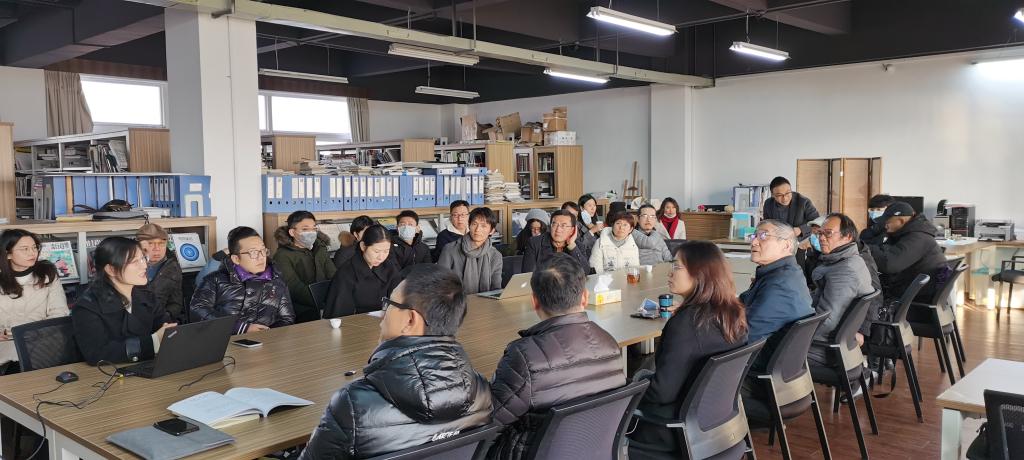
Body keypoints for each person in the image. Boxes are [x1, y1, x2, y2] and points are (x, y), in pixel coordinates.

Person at [299, 265, 492, 460]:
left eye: (389, 304)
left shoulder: (353, 404)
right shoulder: (481, 391)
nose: (383, 314)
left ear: (410, 320)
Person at [489, 254, 625, 459]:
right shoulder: (610, 343)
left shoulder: (524, 357)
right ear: (585, 297)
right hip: (595, 451)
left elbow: (491, 421)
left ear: (534, 301)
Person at [628, 241, 749, 460]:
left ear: (700, 274)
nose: (670, 273)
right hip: (714, 425)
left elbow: (661, 392)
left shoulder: (687, 324)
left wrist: (632, 386)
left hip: (671, 430)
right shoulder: (733, 314)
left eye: (676, 267)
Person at [72, 237, 175, 365]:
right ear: (111, 270)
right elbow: (97, 354)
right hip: (108, 374)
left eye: (143, 258)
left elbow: (167, 330)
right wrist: (153, 342)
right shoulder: (87, 307)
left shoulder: (147, 297)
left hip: (150, 367)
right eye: (135, 261)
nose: (144, 266)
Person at [190, 227, 295, 334]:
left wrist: (266, 335)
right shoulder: (215, 280)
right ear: (236, 259)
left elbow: (287, 318)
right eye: (253, 252)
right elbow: (197, 309)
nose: (261, 257)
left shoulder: (277, 280)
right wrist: (239, 328)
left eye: (263, 250)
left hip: (267, 341)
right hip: (225, 341)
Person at [739, 220, 813, 371]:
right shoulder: (785, 271)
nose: (754, 242)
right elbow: (744, 300)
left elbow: (746, 335)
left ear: (786, 245)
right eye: (754, 236)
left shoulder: (780, 284)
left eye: (763, 236)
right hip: (768, 354)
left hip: (756, 362)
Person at [806, 214, 875, 366]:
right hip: (834, 343)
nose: (821, 238)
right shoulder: (852, 260)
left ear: (847, 237)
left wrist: (792, 335)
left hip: (823, 349)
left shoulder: (844, 270)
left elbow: (827, 320)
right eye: (820, 233)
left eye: (828, 233)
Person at [0, 229, 69, 371]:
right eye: (25, 249)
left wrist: (25, 331)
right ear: (8, 254)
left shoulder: (47, 273)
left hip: (42, 339)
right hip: (5, 343)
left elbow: (59, 313)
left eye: (34, 247)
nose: (32, 253)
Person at [867, 202, 948, 302]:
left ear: (901, 221)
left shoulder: (918, 238)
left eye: (887, 222)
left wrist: (866, 249)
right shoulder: (911, 233)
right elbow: (891, 251)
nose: (885, 225)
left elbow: (890, 264)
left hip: (920, 296)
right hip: (917, 289)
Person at [273, 211, 337, 323]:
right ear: (292, 232)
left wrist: (334, 298)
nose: (311, 233)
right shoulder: (282, 255)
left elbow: (333, 275)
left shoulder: (320, 248)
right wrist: (321, 301)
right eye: (305, 229)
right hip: (301, 311)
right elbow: (294, 288)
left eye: (314, 228)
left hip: (327, 304)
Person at [326, 225, 400, 317]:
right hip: (356, 322)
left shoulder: (389, 267)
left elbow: (398, 300)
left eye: (386, 251)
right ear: (363, 246)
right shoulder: (346, 273)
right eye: (376, 251)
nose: (381, 257)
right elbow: (340, 313)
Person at [437, 207, 503, 294]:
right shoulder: (450, 250)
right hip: (456, 301)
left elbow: (496, 289)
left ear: (492, 231)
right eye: (474, 224)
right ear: (469, 225)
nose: (477, 229)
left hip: (486, 301)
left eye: (483, 226)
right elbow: (441, 284)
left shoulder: (495, 255)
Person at [136, 223, 184, 323]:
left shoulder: (173, 267)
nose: (157, 249)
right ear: (140, 245)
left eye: (161, 244)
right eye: (151, 243)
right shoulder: (128, 267)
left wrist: (166, 316)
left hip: (161, 321)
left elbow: (176, 303)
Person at [522, 210, 591, 272]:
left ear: (572, 230)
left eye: (563, 226)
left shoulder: (577, 246)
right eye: (554, 224)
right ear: (550, 227)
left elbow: (585, 272)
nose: (558, 229)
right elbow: (528, 274)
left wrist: (571, 245)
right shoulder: (534, 243)